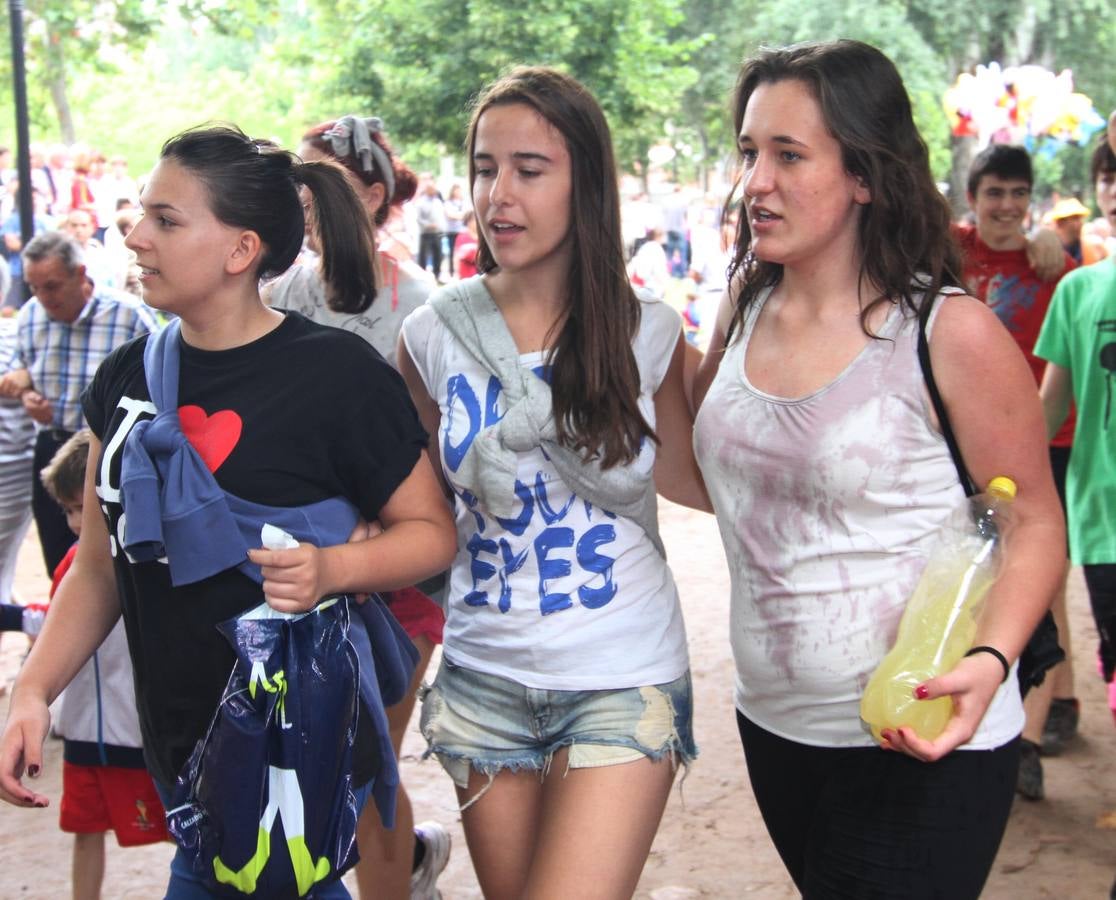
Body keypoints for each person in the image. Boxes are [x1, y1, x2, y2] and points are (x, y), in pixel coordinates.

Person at [0, 124, 457, 900]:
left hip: (289, 751)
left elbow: (432, 533)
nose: (134, 235)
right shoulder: (125, 379)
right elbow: (104, 569)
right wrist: (33, 690)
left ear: (241, 251)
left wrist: (332, 569)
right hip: (186, 754)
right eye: (141, 214)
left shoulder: (335, 375)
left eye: (166, 221)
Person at [692, 40, 1063, 898]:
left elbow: (1036, 522)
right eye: (750, 153)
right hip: (774, 725)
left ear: (863, 172)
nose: (756, 181)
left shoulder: (947, 332)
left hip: (922, 731)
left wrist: (993, 659)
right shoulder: (745, 302)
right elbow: (706, 484)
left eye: (789, 155)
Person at [398, 66, 707, 900]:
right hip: (481, 680)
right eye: (483, 168)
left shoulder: (649, 332)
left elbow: (708, 480)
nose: (498, 194)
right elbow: (413, 511)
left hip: (621, 673)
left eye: (530, 170)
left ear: (587, 185)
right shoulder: (430, 334)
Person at [268, 113, 452, 900]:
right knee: (324, 763)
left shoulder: (426, 307)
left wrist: (393, 510)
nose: (305, 201)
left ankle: (398, 871)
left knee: (368, 761)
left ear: (374, 195)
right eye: (298, 186)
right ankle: (410, 864)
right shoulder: (277, 294)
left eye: (325, 185)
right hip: (306, 574)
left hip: (401, 576)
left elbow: (451, 440)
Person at [958, 143, 1079, 800]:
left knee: (1043, 580)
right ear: (972, 198)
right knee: (978, 579)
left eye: (1017, 195)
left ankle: (1034, 731)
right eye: (993, 193)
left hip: (1044, 439)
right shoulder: (946, 248)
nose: (1006, 207)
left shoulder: (1054, 266)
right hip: (966, 444)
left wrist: (1049, 243)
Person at [40, 429, 171, 900]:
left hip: (137, 729)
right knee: (83, 827)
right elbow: (51, 628)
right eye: (69, 511)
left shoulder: (148, 560)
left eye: (82, 507)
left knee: (181, 827)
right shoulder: (73, 568)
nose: (76, 522)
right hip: (80, 730)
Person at [0, 231, 156, 578]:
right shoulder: (30, 316)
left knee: (112, 562)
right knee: (59, 559)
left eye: (52, 286)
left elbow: (160, 382)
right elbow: (21, 370)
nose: (42, 297)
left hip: (106, 452)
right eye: (34, 287)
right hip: (53, 448)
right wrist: (28, 395)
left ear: (81, 274)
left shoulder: (128, 315)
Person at [1035, 135, 1116, 754]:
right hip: (1103, 514)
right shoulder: (1079, 290)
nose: (1114, 189)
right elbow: (1052, 405)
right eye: (1109, 175)